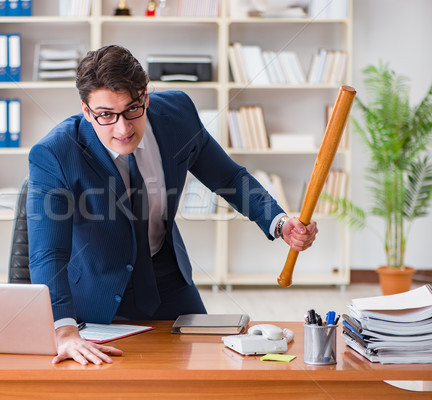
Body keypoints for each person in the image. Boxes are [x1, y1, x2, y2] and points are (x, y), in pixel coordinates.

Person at [27, 45, 318, 366]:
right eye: (106, 115)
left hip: (166, 277)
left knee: (209, 369)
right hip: (97, 290)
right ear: (86, 110)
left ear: (146, 96)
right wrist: (64, 331)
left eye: (132, 109)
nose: (122, 129)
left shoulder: (177, 115)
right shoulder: (55, 153)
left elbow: (229, 177)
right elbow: (48, 253)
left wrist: (278, 222)